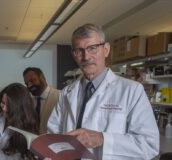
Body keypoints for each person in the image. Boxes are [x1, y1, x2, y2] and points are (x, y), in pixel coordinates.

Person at [47, 23, 159, 159]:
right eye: (79, 51)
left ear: (106, 49)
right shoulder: (65, 93)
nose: (86, 57)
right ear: (73, 54)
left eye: (92, 48)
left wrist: (102, 138)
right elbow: (54, 135)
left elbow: (149, 145)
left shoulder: (132, 91)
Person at [23, 67, 59, 134]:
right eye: (27, 84)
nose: (29, 85)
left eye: (32, 80)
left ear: (42, 77)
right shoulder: (30, 102)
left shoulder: (60, 96)